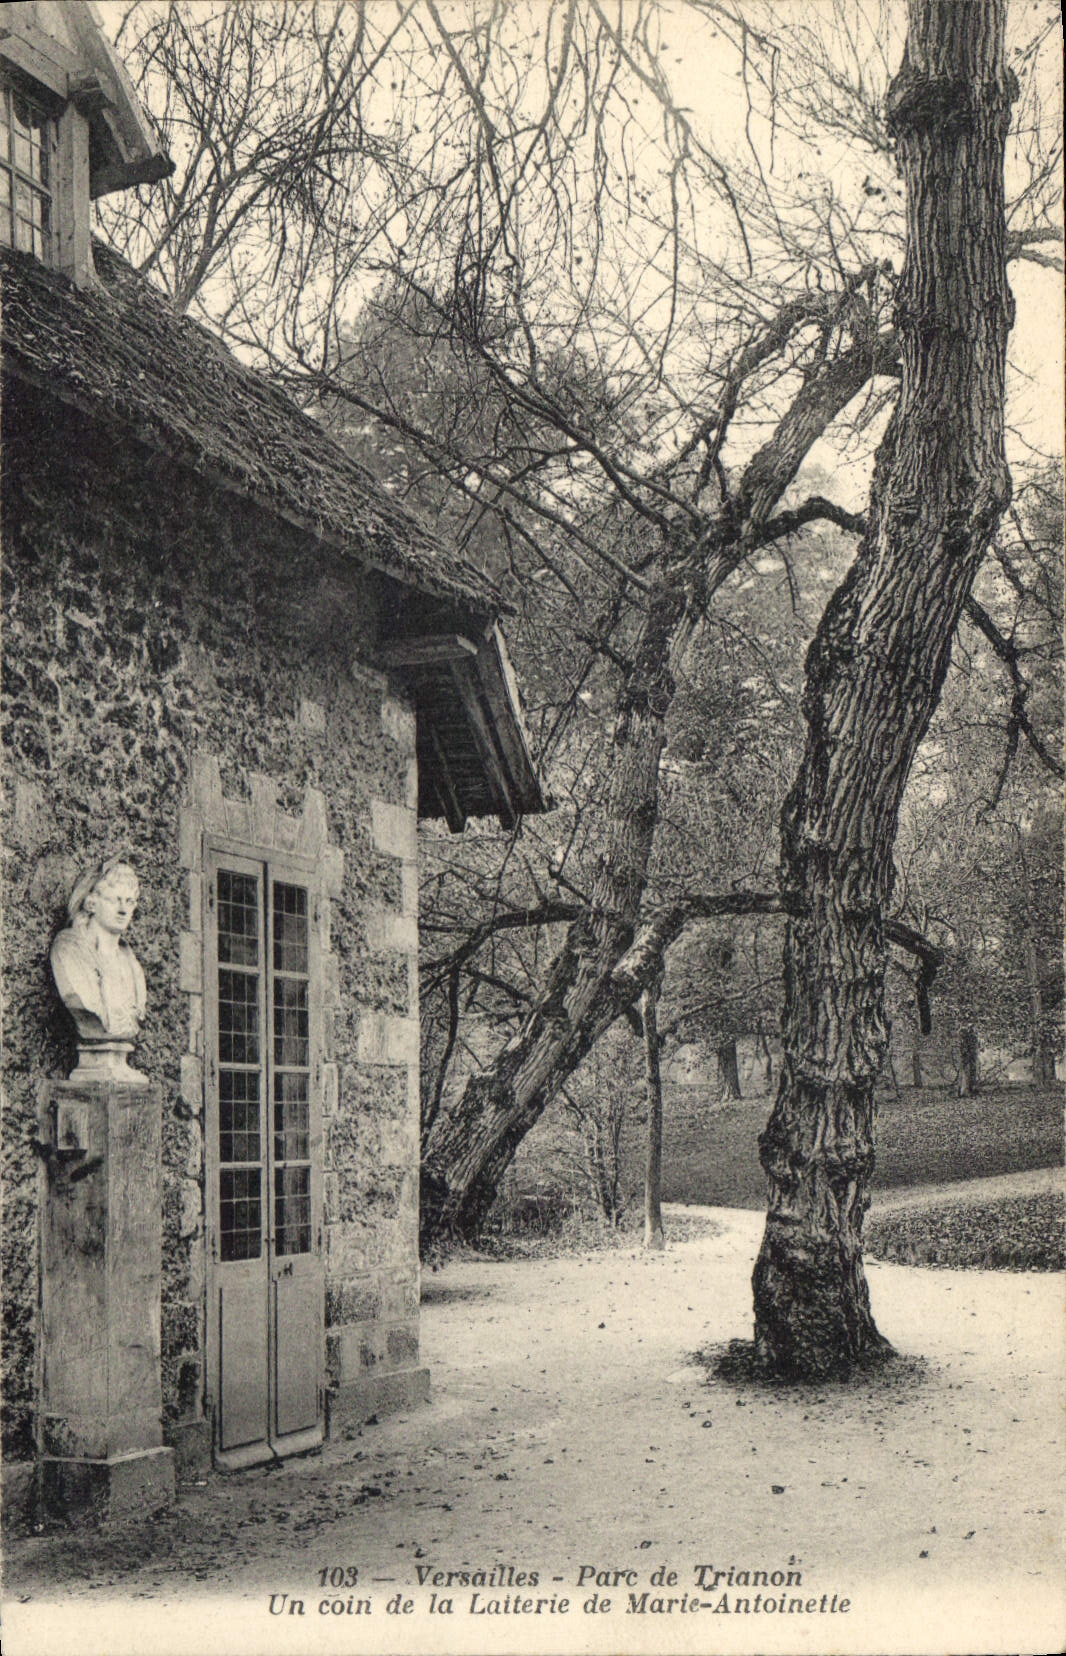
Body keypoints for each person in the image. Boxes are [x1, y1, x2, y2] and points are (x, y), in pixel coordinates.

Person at [51, 857, 147, 1046]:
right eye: (114, 900)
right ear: (91, 904)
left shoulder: (131, 963)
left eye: (129, 902)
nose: (123, 910)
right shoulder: (69, 951)